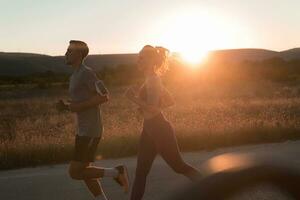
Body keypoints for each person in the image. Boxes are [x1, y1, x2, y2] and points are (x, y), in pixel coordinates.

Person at [126, 45, 202, 200]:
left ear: (152, 60)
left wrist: (134, 99)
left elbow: (153, 110)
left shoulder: (153, 79)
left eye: (142, 58)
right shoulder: (151, 79)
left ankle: (210, 187)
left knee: (179, 167)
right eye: (138, 57)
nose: (138, 60)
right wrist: (145, 105)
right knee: (140, 172)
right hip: (148, 129)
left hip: (159, 129)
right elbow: (170, 101)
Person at [56, 40, 129, 200]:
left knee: (75, 173)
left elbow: (104, 95)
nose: (66, 53)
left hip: (91, 130)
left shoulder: (87, 73)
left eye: (69, 51)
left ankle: (117, 172)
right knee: (85, 172)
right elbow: (79, 104)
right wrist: (67, 106)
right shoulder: (74, 76)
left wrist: (79, 106)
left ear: (79, 54)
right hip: (82, 129)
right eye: (67, 50)